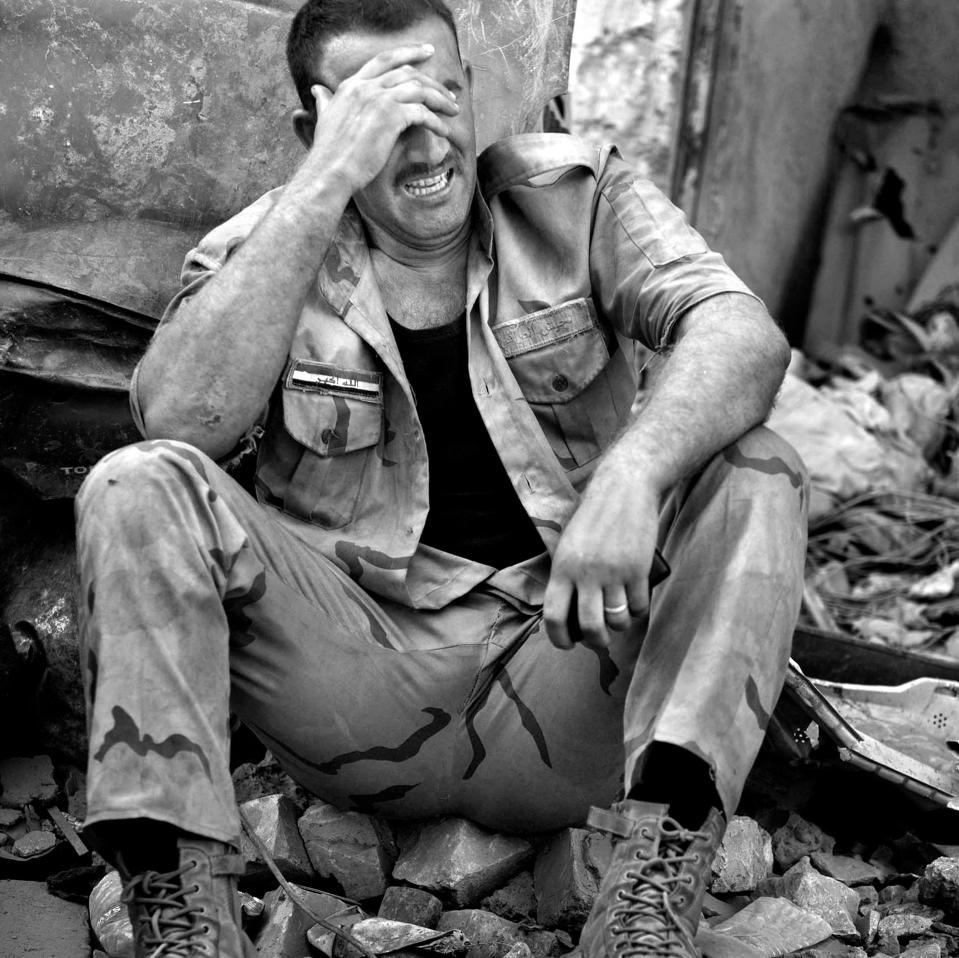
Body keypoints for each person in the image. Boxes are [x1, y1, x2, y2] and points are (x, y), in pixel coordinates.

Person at [75, 1, 808, 955]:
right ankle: (184, 917)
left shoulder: (572, 195)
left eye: (440, 96)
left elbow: (743, 334)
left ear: (469, 92)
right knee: (136, 483)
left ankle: (644, 899)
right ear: (315, 126)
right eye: (383, 113)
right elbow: (178, 420)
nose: (424, 146)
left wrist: (633, 475)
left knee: (759, 469)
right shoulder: (265, 251)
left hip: (576, 675)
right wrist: (327, 180)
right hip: (359, 695)